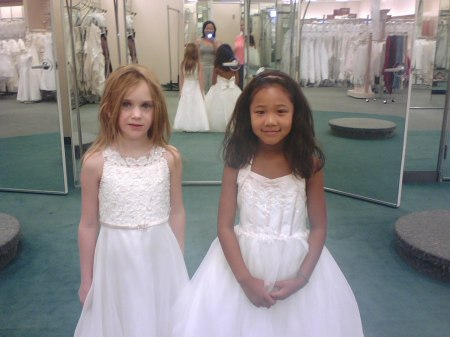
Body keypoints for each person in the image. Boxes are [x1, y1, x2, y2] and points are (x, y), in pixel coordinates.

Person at [171, 70, 365, 337]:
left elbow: (319, 227)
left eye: (281, 111)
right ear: (247, 114)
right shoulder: (237, 160)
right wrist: (245, 280)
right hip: (242, 264)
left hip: (297, 265)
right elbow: (225, 226)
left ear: (295, 114)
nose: (270, 121)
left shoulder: (309, 164)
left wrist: (302, 278)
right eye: (260, 112)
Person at [74, 64, 189, 337]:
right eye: (127, 105)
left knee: (160, 317)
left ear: (156, 110)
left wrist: (177, 261)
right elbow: (88, 224)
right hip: (116, 258)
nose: (136, 114)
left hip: (159, 254)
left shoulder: (169, 158)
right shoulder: (95, 162)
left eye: (145, 106)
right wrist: (87, 277)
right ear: (110, 108)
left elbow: (177, 212)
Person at [205, 43, 242, 132]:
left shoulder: (217, 67)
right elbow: (237, 82)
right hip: (234, 90)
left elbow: (213, 82)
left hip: (219, 90)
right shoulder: (234, 66)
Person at [173, 43, 209, 132]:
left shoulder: (183, 64)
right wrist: (202, 92)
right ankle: (196, 125)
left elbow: (181, 78)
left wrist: (181, 90)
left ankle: (186, 125)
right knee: (196, 105)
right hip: (195, 87)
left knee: (186, 105)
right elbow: (201, 80)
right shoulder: (199, 65)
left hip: (186, 87)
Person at [195, 20, 220, 93]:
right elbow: (196, 56)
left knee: (212, 88)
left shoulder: (217, 41)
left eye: (211, 28)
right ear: (204, 30)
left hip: (213, 67)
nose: (209, 30)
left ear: (214, 30)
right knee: (203, 88)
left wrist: (213, 43)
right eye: (207, 28)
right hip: (202, 67)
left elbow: (219, 54)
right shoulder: (198, 41)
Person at [234, 20, 245, 90]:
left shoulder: (250, 37)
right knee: (238, 82)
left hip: (245, 63)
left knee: (244, 81)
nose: (242, 27)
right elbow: (235, 50)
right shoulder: (237, 38)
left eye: (243, 25)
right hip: (238, 63)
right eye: (240, 25)